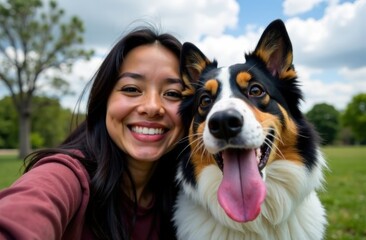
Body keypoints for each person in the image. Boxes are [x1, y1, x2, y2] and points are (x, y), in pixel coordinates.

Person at [0, 25, 187, 240]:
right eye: (132, 89)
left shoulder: (189, 199)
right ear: (104, 100)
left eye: (173, 93)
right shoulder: (66, 176)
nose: (153, 107)